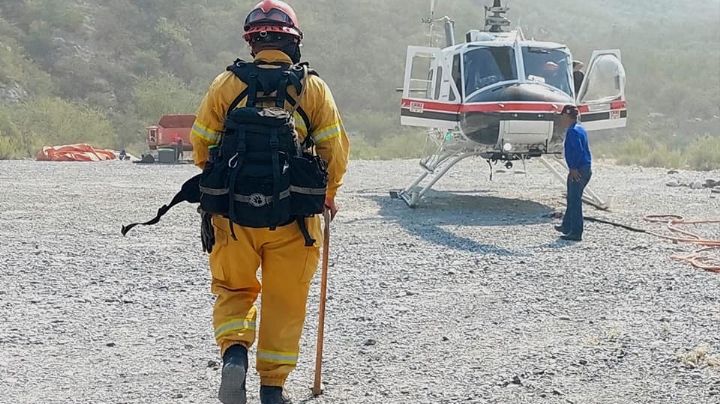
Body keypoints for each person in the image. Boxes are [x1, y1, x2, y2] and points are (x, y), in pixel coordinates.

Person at [189, 1, 349, 403]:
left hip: (232, 216)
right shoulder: (312, 87)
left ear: (253, 43)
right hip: (294, 218)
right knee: (285, 299)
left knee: (233, 288)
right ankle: (273, 388)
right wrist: (328, 196)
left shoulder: (226, 84)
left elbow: (201, 146)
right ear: (293, 42)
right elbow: (334, 151)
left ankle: (235, 354)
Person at [555, 105, 592, 241]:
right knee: (571, 198)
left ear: (566, 116)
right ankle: (567, 225)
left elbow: (577, 150)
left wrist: (573, 168)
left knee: (575, 200)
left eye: (563, 116)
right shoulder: (580, 128)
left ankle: (576, 232)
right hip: (584, 168)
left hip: (579, 169)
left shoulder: (573, 132)